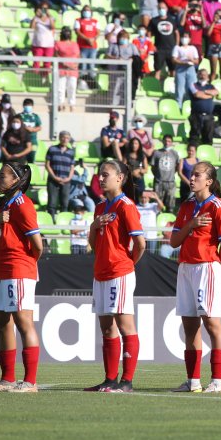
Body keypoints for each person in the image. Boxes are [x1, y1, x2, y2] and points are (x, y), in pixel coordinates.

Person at [169, 162, 221, 394]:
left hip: (207, 267)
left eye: (197, 175)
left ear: (209, 181)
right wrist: (191, 224)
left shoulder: (217, 207)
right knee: (190, 326)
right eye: (191, 174)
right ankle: (193, 381)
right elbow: (174, 242)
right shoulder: (186, 206)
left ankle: (217, 381)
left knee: (212, 323)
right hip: (186, 267)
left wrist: (217, 267)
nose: (191, 178)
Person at [83, 159, 146, 393]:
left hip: (119, 272)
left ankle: (127, 382)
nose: (100, 178)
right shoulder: (101, 208)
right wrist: (93, 226)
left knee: (125, 325)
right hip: (100, 273)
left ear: (119, 178)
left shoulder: (125, 206)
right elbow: (94, 245)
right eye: (99, 174)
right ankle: (110, 379)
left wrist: (128, 264)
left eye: (105, 174)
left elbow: (140, 243)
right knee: (106, 328)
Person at [0, 162, 42, 393]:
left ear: (16, 180)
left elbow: (37, 245)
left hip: (19, 268)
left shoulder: (23, 204)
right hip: (0, 268)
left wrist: (26, 264)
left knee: (23, 322)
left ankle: (30, 382)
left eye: (3, 176)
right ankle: (7, 379)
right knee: (2, 323)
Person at [45, 131, 75, 219]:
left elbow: (72, 167)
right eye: (63, 137)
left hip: (66, 181)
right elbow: (47, 165)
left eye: (67, 138)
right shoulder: (52, 149)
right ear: (60, 138)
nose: (65, 139)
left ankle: (63, 221)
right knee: (52, 203)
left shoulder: (71, 152)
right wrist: (54, 177)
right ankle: (51, 221)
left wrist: (69, 178)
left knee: (65, 203)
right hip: (53, 180)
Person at [150, 136, 180, 212]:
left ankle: (170, 220)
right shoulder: (157, 153)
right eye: (165, 141)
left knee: (170, 205)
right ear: (163, 141)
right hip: (159, 182)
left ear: (172, 142)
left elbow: (177, 167)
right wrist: (158, 176)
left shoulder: (175, 153)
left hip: (170, 182)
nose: (167, 142)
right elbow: (153, 167)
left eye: (169, 141)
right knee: (157, 204)